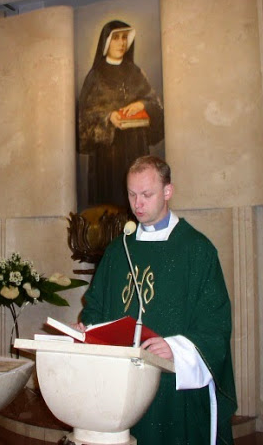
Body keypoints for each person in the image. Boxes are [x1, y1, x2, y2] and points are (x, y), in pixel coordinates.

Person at [77, 155, 237, 445]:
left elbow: (215, 325)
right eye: (131, 194)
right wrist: (87, 330)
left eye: (146, 195)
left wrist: (175, 348)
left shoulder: (197, 250)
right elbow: (96, 307)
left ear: (167, 191)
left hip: (172, 388)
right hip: (120, 387)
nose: (137, 204)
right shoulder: (118, 251)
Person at [78, 20, 164, 208]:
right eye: (116, 38)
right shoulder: (95, 76)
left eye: (124, 38)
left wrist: (141, 105)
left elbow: (155, 104)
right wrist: (108, 117)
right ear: (106, 41)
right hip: (107, 155)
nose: (121, 43)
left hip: (135, 147)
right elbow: (85, 116)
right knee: (111, 204)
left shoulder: (135, 72)